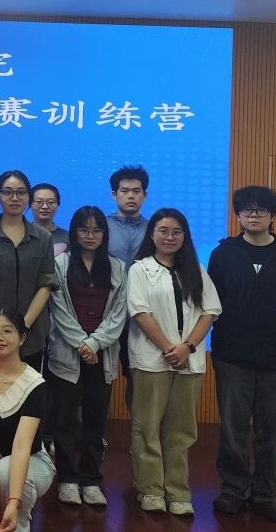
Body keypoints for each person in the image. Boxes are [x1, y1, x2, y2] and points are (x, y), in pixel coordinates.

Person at [209, 186, 276, 523]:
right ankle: (233, 490)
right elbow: (212, 300)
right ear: (238, 215)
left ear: (273, 215)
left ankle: (266, 495)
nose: (253, 215)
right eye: (247, 210)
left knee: (271, 434)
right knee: (232, 430)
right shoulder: (223, 253)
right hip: (232, 356)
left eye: (261, 210)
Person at [127, 208, 221, 515]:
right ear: (152, 234)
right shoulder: (140, 269)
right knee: (147, 426)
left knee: (181, 429)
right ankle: (150, 489)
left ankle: (178, 491)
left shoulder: (195, 268)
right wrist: (170, 348)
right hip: (151, 360)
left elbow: (210, 311)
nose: (170, 237)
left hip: (188, 362)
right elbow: (139, 312)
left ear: (185, 236)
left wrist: (187, 348)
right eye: (163, 231)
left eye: (177, 232)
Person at [47, 206, 127, 507]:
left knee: (95, 421)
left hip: (101, 355)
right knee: (65, 421)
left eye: (96, 230)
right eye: (84, 229)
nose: (90, 236)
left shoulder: (117, 267)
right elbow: (58, 309)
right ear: (74, 232)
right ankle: (67, 478)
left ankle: (91, 479)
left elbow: (119, 313)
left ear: (104, 233)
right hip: (68, 353)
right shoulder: (60, 263)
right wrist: (83, 343)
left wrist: (94, 344)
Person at [0, 309, 54, 532]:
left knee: (4, 473)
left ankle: (18, 524)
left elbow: (22, 446)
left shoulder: (34, 384)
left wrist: (13, 503)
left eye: (7, 331)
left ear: (22, 338)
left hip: (30, 460)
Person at [0, 170, 58, 372]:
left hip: (31, 334)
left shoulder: (43, 237)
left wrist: (21, 328)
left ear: (29, 197)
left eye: (21, 192)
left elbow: (46, 286)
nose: (14, 198)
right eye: (7, 192)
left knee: (29, 389)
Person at [108, 165, 149, 410]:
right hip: (106, 316)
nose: (131, 196)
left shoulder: (155, 229)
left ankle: (139, 432)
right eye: (125, 191)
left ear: (145, 194)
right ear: (114, 194)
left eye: (136, 191)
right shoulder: (100, 227)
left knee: (138, 379)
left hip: (142, 318)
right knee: (99, 379)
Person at [30, 183, 70, 256]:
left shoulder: (67, 237)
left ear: (58, 205)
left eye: (50, 202)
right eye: (39, 202)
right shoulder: (22, 234)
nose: (45, 206)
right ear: (30, 204)